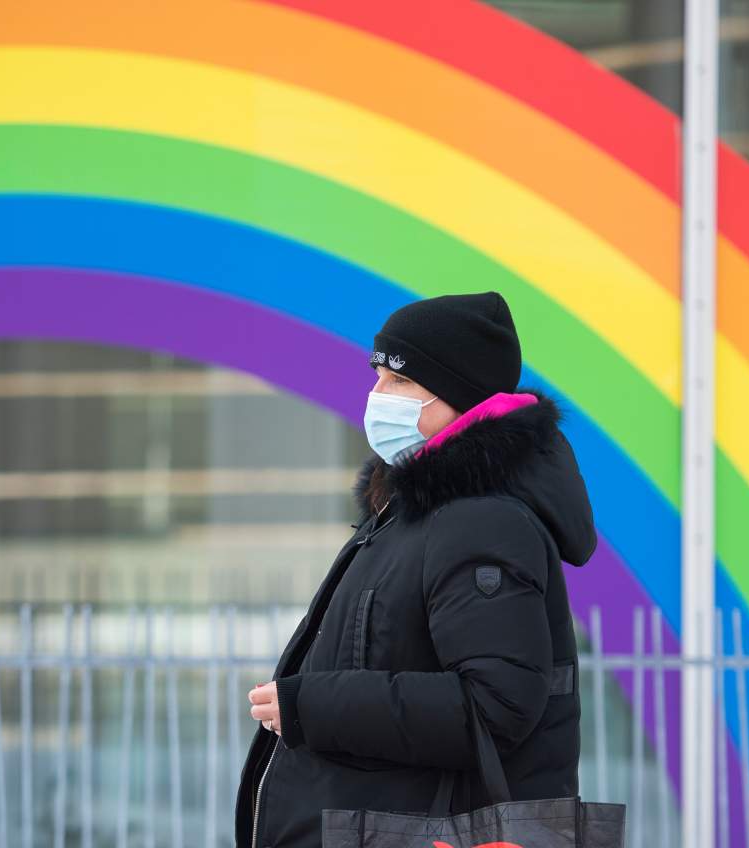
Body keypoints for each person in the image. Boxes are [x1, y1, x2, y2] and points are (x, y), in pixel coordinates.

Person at [234, 291, 597, 848]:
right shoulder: (412, 512)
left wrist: (312, 706)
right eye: (377, 376)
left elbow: (494, 706)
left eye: (400, 382)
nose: (377, 396)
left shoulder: (481, 520)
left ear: (458, 396)